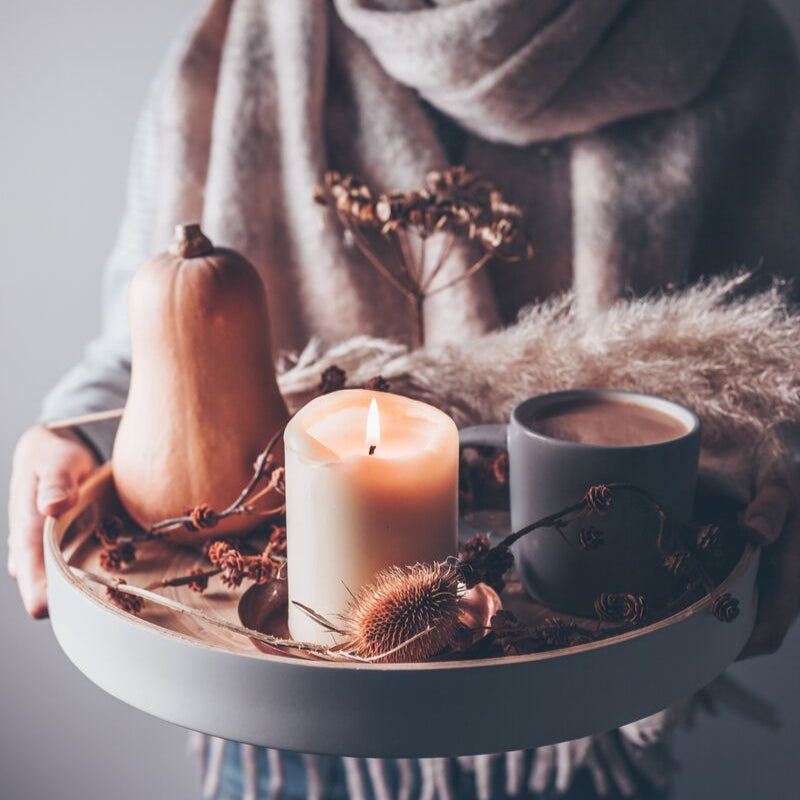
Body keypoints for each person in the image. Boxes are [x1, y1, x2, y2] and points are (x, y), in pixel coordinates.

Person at [9, 1, 800, 798]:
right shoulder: (235, 43)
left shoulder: (733, 51)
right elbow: (149, 358)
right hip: (289, 721)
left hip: (573, 719)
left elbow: (769, 366)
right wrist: (69, 432)